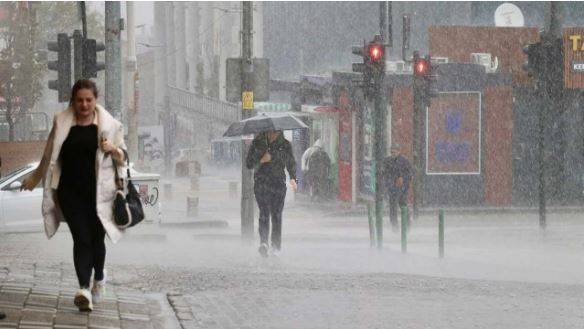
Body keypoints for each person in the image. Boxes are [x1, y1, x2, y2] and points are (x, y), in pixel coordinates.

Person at [21, 79, 127, 312]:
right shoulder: (62, 122)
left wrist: (112, 149)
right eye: (79, 100)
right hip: (70, 194)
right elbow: (49, 154)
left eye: (89, 100)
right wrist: (34, 179)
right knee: (81, 239)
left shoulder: (109, 125)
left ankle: (99, 277)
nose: (84, 105)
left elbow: (124, 157)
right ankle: (83, 290)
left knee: (97, 240)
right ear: (73, 101)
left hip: (100, 194)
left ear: (95, 100)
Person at [246, 130, 297, 257]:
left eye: (276, 131)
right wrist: (261, 159)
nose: (273, 134)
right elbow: (249, 164)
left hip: (278, 184)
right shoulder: (257, 143)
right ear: (266, 131)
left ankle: (276, 246)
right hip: (261, 183)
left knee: (276, 215)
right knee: (264, 213)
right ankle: (263, 242)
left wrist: (294, 179)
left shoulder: (285, 144)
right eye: (270, 131)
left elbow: (291, 163)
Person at [381, 143, 412, 231]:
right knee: (393, 207)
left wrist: (403, 179)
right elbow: (384, 173)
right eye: (392, 151)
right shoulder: (387, 161)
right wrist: (387, 183)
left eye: (395, 151)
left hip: (402, 188)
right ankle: (394, 225)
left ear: (399, 151)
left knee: (403, 205)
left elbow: (409, 174)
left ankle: (407, 224)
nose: (393, 153)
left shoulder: (404, 161)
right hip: (392, 188)